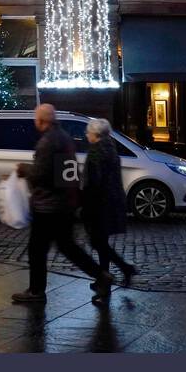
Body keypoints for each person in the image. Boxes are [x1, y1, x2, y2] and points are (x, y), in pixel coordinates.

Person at [11, 104, 113, 305]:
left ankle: (36, 291)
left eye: (36, 119)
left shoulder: (47, 142)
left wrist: (24, 169)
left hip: (47, 206)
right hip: (64, 204)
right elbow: (67, 174)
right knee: (68, 247)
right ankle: (101, 275)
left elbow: (41, 174)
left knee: (37, 249)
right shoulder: (65, 138)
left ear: (41, 121)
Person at [81, 118, 137, 304]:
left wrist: (84, 202)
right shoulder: (110, 148)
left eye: (88, 132)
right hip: (110, 202)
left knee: (98, 243)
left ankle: (113, 276)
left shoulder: (96, 152)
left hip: (99, 205)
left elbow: (94, 181)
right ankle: (104, 280)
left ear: (96, 135)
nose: (86, 135)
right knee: (100, 243)